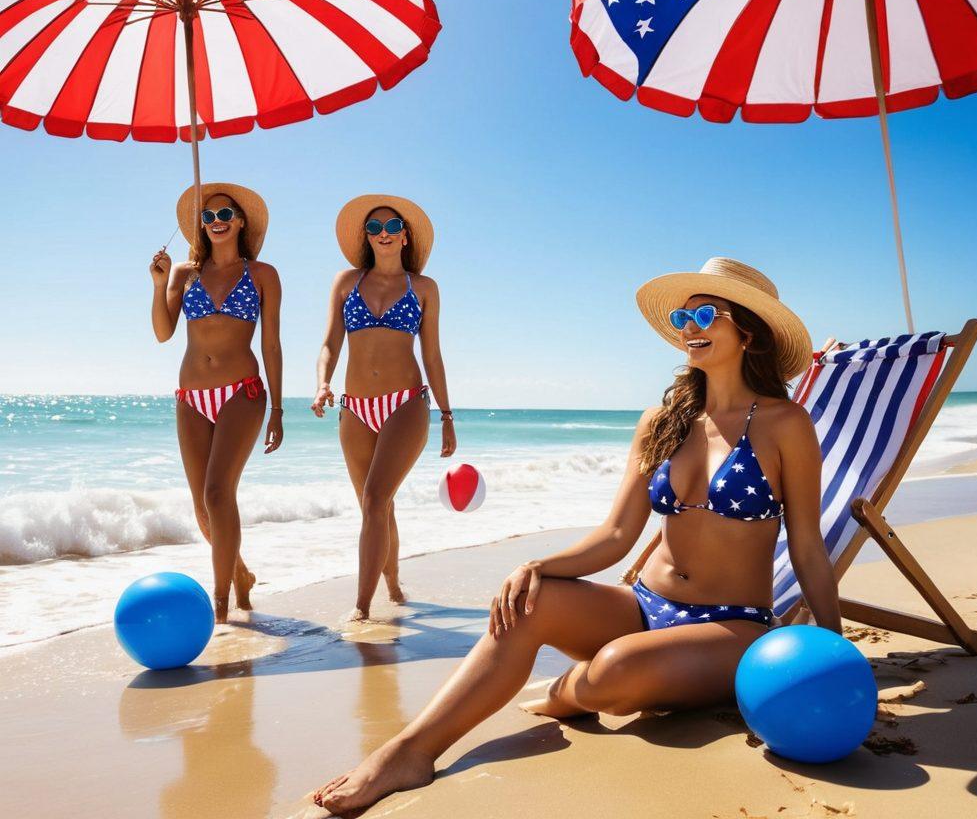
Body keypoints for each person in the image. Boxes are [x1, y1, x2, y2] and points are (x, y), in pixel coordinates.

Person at [312, 257, 839, 814]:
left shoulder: (785, 424)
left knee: (614, 667)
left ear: (748, 331)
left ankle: (567, 694)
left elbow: (806, 544)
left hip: (730, 626)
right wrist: (537, 568)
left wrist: (834, 645)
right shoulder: (662, 422)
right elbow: (615, 536)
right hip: (644, 605)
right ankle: (410, 750)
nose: (689, 326)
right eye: (684, 315)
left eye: (706, 313)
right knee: (528, 602)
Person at [312, 194, 455, 621]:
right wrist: (323, 384)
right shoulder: (346, 282)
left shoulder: (424, 288)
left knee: (376, 500)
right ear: (366, 238)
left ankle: (361, 607)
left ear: (406, 236)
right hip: (355, 408)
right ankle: (393, 585)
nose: (384, 233)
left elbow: (432, 356)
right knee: (376, 505)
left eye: (392, 226)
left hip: (406, 403)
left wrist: (447, 416)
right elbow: (329, 343)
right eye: (374, 228)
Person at [150, 183, 283, 623]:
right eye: (207, 216)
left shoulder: (262, 274)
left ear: (241, 221)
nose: (216, 221)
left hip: (242, 392)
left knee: (217, 493)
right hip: (191, 396)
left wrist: (278, 408)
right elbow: (163, 332)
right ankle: (241, 574)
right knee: (202, 508)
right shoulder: (186, 273)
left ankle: (222, 606)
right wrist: (158, 284)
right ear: (201, 227)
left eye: (224, 213)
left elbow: (272, 345)